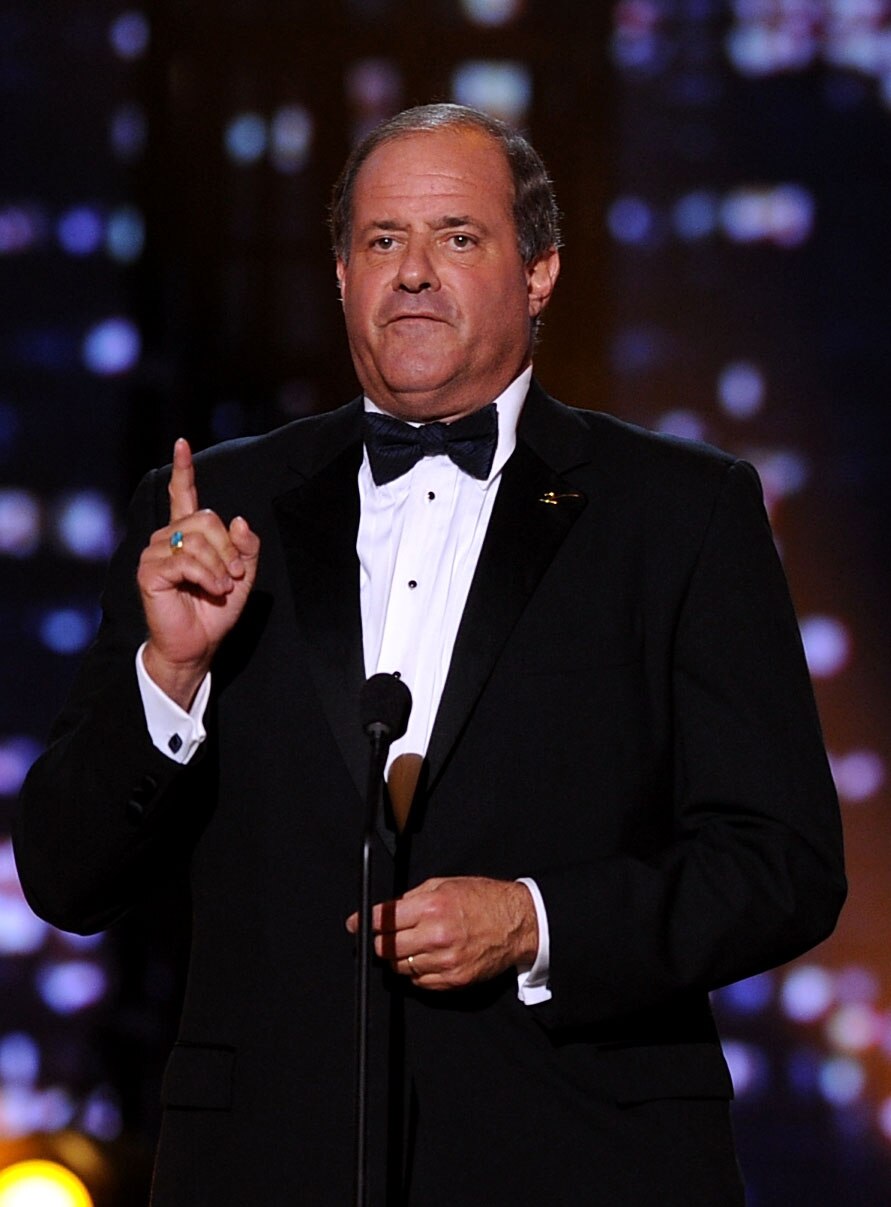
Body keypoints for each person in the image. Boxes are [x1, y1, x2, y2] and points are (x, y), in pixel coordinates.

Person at [15, 104, 845, 1205]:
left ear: (540, 271)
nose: (412, 273)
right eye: (381, 241)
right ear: (343, 273)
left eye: (457, 236)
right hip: (268, 1163)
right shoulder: (212, 506)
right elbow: (65, 875)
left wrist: (536, 920)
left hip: (579, 1161)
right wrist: (170, 676)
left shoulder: (681, 513)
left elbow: (781, 863)